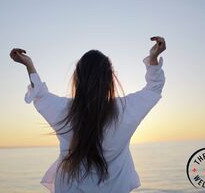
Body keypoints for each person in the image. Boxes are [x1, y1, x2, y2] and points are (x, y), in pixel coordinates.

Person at [10, 36, 166, 193]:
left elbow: (40, 95)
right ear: (110, 78)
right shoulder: (125, 109)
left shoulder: (64, 110)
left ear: (77, 78)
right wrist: (153, 58)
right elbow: (154, 88)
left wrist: (28, 64)